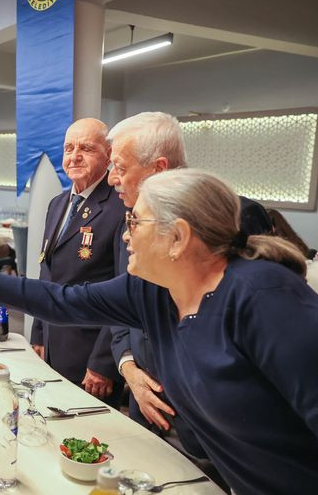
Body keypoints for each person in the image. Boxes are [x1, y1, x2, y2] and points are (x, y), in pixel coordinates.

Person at [0, 169, 318, 494]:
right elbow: (62, 301)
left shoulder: (266, 299)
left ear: (177, 237)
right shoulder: (154, 290)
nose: (124, 235)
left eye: (134, 221)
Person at [107, 111, 271, 439]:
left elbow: (248, 328)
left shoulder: (236, 217)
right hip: (145, 403)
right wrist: (129, 371)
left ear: (159, 170)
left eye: (120, 169)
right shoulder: (128, 224)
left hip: (212, 425)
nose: (112, 178)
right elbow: (119, 305)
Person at [30, 118, 125, 405]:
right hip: (52, 344)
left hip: (91, 354)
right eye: (68, 148)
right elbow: (46, 272)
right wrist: (38, 333)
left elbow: (124, 290)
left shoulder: (120, 206)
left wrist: (104, 362)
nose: (74, 156)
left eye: (86, 148)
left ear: (108, 154)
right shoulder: (58, 203)